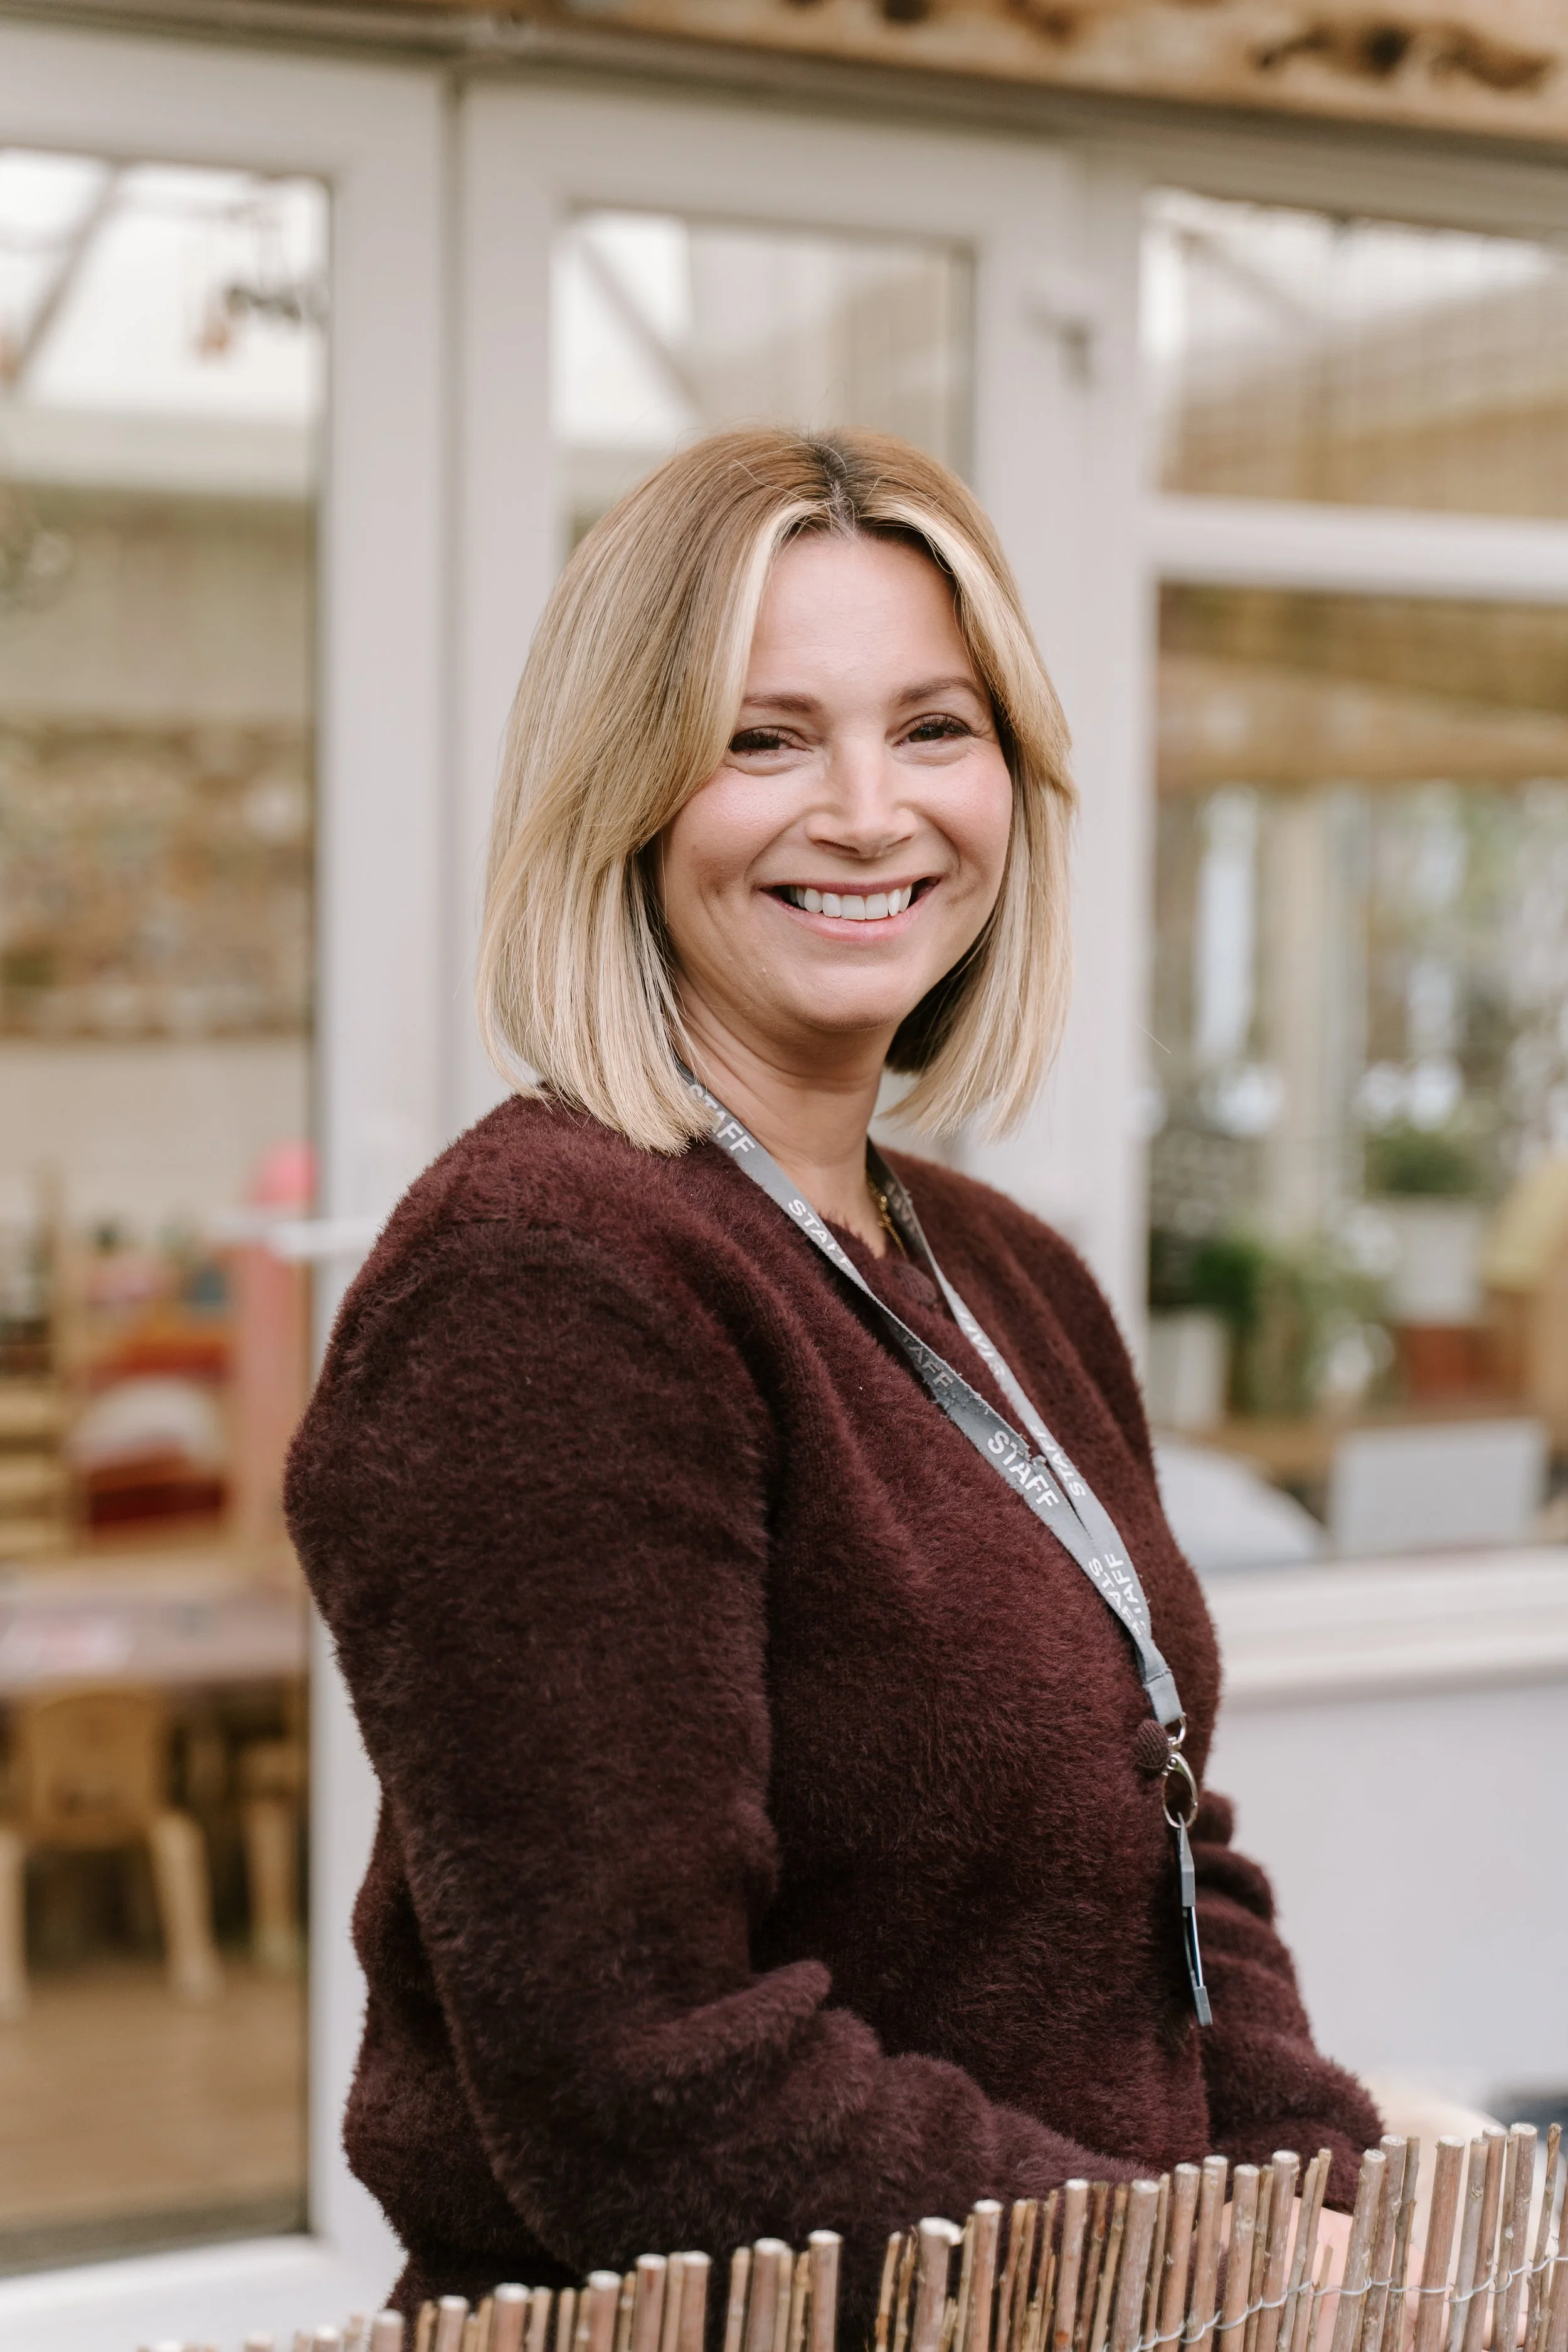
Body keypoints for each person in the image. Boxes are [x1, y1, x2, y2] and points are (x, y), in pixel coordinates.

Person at [285, 428, 1379, 2324]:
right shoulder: (549, 1280)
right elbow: (641, 2080)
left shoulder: (1007, 1272)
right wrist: (1177, 2266)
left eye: (933, 727)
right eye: (764, 738)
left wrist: (1317, 2199)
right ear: (624, 793)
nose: (870, 814)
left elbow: (1161, 1846)